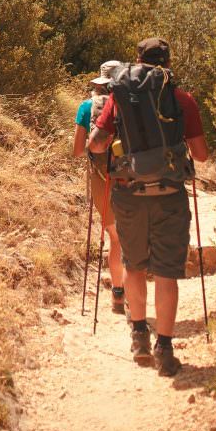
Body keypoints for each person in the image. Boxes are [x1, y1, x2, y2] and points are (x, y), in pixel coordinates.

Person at [88, 37, 209, 377]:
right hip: (169, 194)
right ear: (168, 63)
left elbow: (97, 145)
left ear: (137, 60)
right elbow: (200, 155)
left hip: (129, 193)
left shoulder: (120, 96)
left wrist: (120, 145)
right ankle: (165, 351)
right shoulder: (182, 99)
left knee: (134, 264)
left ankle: (139, 334)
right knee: (167, 271)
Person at [73, 62, 125, 313]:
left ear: (99, 83)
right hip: (129, 176)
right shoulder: (130, 105)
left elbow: (76, 151)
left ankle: (118, 293)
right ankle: (134, 291)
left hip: (100, 178)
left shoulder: (86, 107)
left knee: (115, 237)